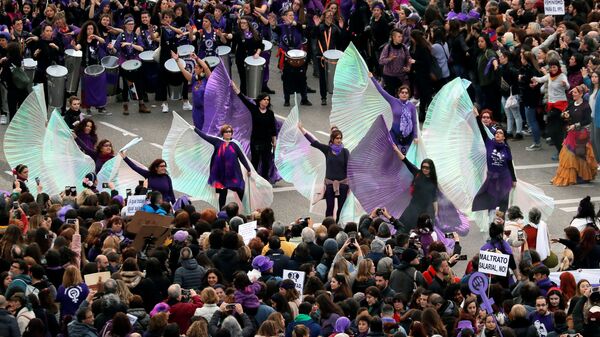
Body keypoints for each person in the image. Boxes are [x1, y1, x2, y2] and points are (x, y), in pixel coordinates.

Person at [298, 123, 349, 222]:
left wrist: (350, 186)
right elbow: (314, 142)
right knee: (329, 208)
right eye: (337, 138)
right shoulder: (327, 150)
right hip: (329, 184)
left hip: (342, 185)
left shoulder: (345, 152)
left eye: (340, 138)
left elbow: (350, 168)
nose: (339, 140)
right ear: (332, 139)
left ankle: (339, 227)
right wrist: (302, 129)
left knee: (341, 209)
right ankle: (329, 227)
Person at [472, 107, 517, 219]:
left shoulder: (506, 148)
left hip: (505, 178)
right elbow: (481, 129)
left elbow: (510, 164)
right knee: (491, 200)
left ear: (504, 136)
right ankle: (491, 222)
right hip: (492, 178)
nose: (497, 134)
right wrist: (477, 116)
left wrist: (514, 179)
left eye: (500, 133)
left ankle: (501, 223)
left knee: (503, 201)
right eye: (496, 133)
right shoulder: (489, 143)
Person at [194, 125, 251, 210]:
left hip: (234, 174)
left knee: (240, 190)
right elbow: (205, 137)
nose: (228, 133)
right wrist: (195, 129)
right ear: (222, 133)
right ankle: (222, 211)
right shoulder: (217, 142)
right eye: (226, 132)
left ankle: (247, 210)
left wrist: (248, 169)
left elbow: (242, 157)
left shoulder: (235, 145)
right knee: (223, 194)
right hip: (222, 174)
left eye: (230, 132)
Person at [551, 84, 598, 186]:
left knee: (580, 155)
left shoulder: (585, 106)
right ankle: (568, 176)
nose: (573, 94)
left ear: (581, 94)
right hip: (571, 134)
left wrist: (576, 125)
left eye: (575, 92)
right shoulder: (572, 104)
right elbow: (564, 114)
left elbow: (588, 120)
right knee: (568, 155)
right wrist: (564, 115)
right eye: (573, 92)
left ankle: (582, 176)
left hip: (581, 134)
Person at [231, 80, 277, 180]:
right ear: (260, 100)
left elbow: (273, 128)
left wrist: (274, 141)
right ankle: (253, 180)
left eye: (268, 100)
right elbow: (243, 99)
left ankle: (265, 181)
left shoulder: (270, 113)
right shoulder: (254, 109)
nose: (266, 101)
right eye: (264, 99)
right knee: (255, 161)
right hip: (256, 141)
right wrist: (235, 88)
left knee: (266, 163)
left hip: (266, 141)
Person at [271, 10, 311, 107]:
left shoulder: (298, 26)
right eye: (289, 15)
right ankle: (287, 99)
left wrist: (293, 23)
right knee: (286, 79)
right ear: (284, 17)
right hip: (286, 56)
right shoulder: (281, 27)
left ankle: (304, 99)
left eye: (293, 15)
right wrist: (273, 24)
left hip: (298, 56)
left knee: (302, 78)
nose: (292, 16)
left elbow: (304, 28)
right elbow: (275, 28)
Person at [394, 148, 438, 230]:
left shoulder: (433, 181)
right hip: (413, 206)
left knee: (421, 231)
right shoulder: (417, 173)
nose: (424, 169)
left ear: (431, 169)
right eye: (423, 167)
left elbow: (434, 198)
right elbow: (405, 161)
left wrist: (436, 212)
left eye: (427, 168)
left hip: (425, 210)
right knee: (402, 226)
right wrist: (396, 150)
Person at [114, 16, 149, 115]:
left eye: (132, 24)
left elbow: (141, 49)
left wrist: (130, 44)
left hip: (135, 62)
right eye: (129, 24)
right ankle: (125, 105)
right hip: (124, 62)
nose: (131, 26)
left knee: (139, 83)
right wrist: (112, 48)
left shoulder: (136, 36)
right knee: (126, 85)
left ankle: (141, 104)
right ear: (125, 25)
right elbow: (116, 49)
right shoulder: (121, 36)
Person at [170, 51, 211, 130]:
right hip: (196, 111)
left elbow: (206, 68)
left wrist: (197, 58)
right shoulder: (194, 79)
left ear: (202, 69)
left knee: (207, 131)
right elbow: (183, 70)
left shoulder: (208, 79)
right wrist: (177, 60)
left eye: (196, 67)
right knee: (198, 131)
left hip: (207, 110)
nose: (194, 69)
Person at [74, 20, 107, 115]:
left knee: (98, 87)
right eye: (88, 29)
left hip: (97, 67)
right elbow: (78, 47)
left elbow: (103, 41)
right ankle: (88, 107)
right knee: (86, 88)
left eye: (91, 29)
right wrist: (74, 46)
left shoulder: (96, 39)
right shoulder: (82, 40)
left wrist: (95, 36)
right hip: (86, 67)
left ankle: (100, 106)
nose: (90, 30)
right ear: (85, 30)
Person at [313, 9, 344, 106]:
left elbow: (341, 41)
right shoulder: (320, 27)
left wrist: (341, 28)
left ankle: (335, 95)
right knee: (322, 78)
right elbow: (313, 35)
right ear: (324, 17)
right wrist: (316, 26)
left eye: (331, 16)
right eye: (328, 16)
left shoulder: (335, 28)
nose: (330, 18)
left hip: (332, 57)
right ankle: (323, 97)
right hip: (321, 56)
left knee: (335, 77)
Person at [232, 16, 263, 95]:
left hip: (252, 59)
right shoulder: (238, 33)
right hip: (241, 58)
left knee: (252, 78)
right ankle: (244, 96)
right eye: (241, 23)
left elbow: (261, 45)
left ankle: (252, 94)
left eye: (244, 23)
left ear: (249, 24)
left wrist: (257, 53)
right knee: (243, 78)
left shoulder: (255, 33)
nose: (242, 24)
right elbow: (232, 41)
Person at [378, 28, 411, 96]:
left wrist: (408, 67)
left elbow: (408, 58)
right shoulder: (388, 47)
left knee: (401, 96)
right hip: (389, 76)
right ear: (393, 37)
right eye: (399, 36)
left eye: (402, 36)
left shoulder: (404, 47)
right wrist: (390, 59)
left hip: (401, 76)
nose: (401, 38)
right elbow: (381, 61)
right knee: (391, 96)